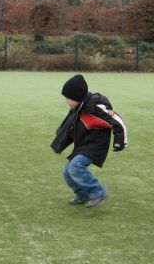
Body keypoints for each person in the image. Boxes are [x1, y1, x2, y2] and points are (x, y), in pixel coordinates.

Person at [50, 74, 127, 208]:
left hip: (95, 146)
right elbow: (70, 124)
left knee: (75, 167)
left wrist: (120, 141)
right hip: (83, 144)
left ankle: (97, 192)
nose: (66, 101)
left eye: (68, 98)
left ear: (77, 97)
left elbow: (117, 122)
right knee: (67, 171)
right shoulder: (79, 107)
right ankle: (82, 194)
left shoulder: (95, 108)